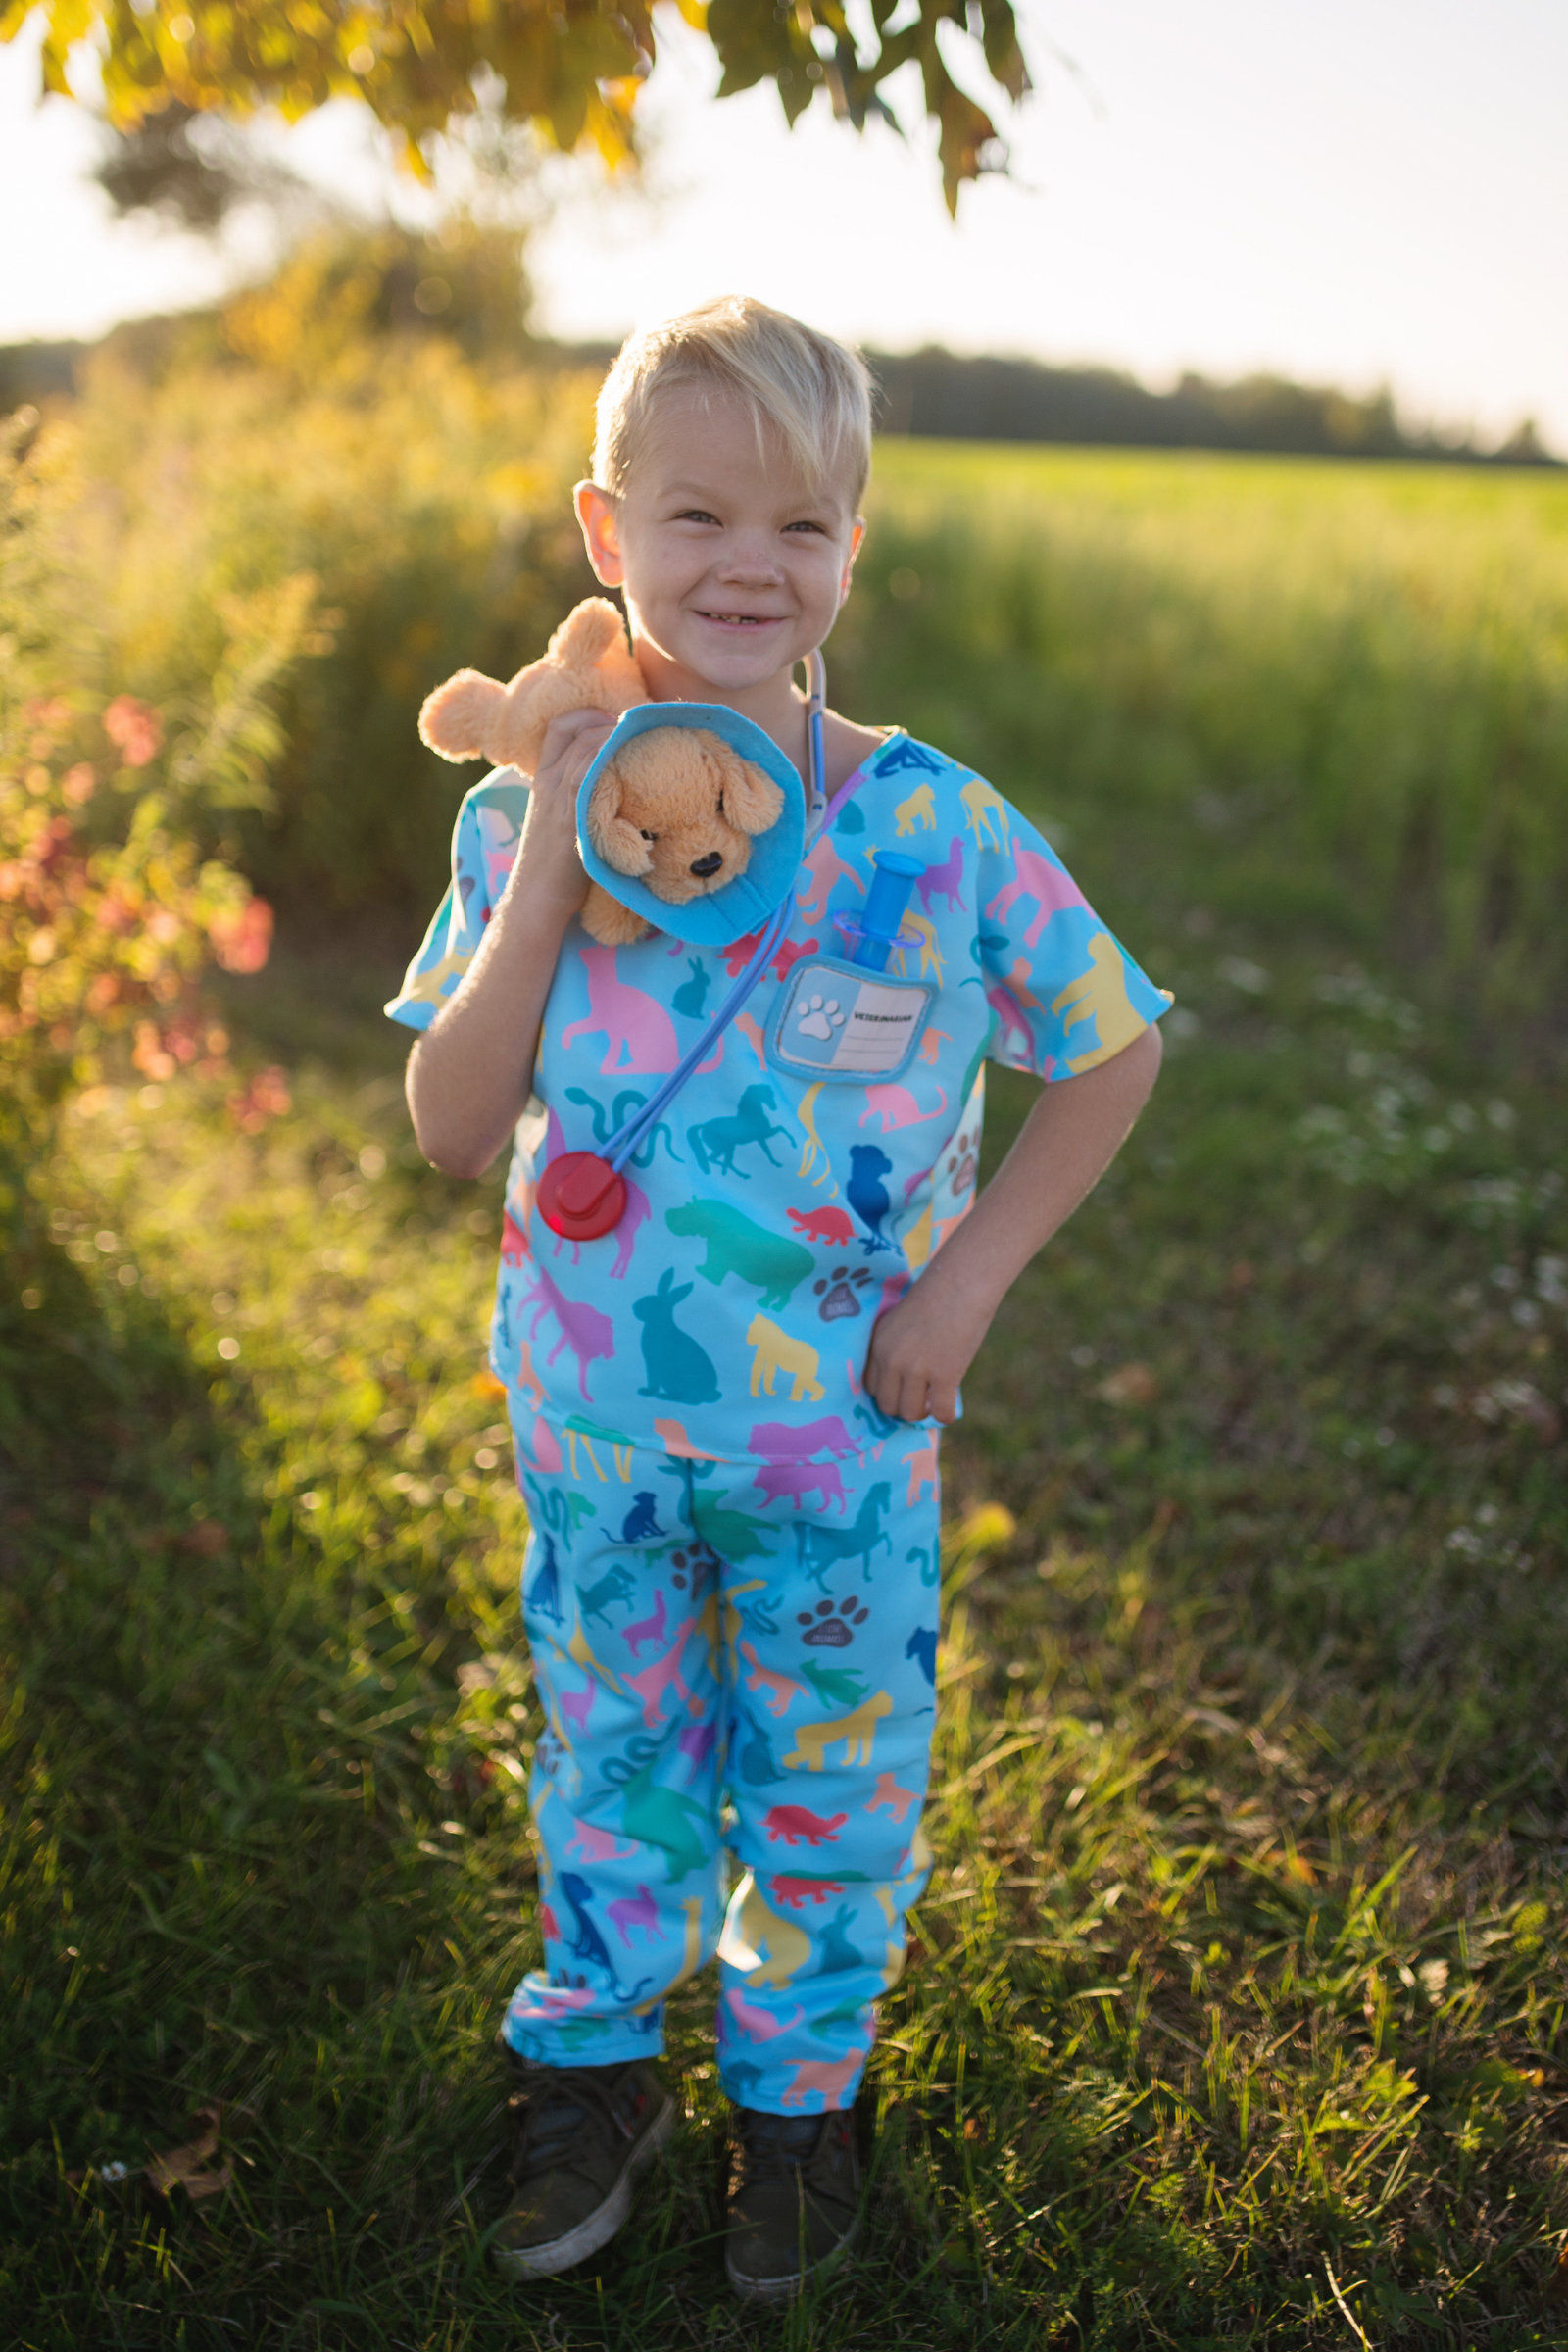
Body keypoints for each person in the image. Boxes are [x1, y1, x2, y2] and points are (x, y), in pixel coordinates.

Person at [388, 296, 1168, 2304]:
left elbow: (1105, 1045)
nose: (749, 564)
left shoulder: (928, 825)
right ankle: (592, 2064)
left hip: (842, 1429)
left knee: (831, 1763)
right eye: (698, 514)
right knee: (609, 1753)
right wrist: (555, 859)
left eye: (801, 527)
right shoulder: (521, 810)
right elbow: (452, 1125)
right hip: (595, 1428)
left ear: (851, 546)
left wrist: (971, 1283)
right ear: (604, 530)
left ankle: (799, 2097)